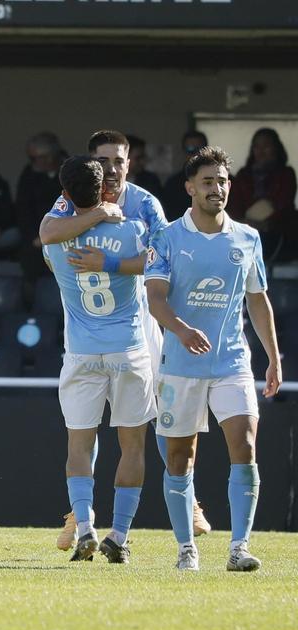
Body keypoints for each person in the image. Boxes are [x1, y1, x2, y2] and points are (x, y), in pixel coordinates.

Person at [40, 129, 211, 552]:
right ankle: (84, 516)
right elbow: (52, 227)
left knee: (160, 411)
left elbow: (163, 262)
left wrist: (108, 260)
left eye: (119, 160)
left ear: (129, 164)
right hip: (116, 331)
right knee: (122, 429)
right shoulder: (78, 204)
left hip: (141, 322)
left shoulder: (145, 204)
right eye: (105, 161)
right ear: (93, 166)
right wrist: (99, 219)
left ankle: (185, 494)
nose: (113, 169)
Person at [145, 145, 282, 571]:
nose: (217, 188)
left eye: (222, 181)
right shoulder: (166, 237)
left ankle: (239, 548)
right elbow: (154, 299)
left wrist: (274, 358)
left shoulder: (247, 238)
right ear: (189, 187)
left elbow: (258, 303)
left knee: (245, 446)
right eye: (207, 181)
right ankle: (187, 548)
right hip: (181, 365)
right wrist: (182, 331)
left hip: (232, 363)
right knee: (180, 458)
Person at [42, 157, 153, 564]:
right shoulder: (132, 231)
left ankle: (85, 526)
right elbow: (159, 265)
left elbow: (49, 236)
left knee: (79, 444)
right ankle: (119, 535)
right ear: (107, 189)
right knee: (133, 445)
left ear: (66, 194)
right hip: (129, 349)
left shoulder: (54, 238)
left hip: (82, 352)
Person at [227, 127, 298, 262]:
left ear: (276, 148)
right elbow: (235, 204)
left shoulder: (286, 173)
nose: (261, 151)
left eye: (266, 146)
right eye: (257, 146)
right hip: (246, 233)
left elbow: (283, 202)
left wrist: (267, 223)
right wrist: (243, 222)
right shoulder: (244, 175)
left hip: (278, 234)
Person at [15, 132, 66, 298]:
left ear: (51, 156)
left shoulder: (72, 171)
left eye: (39, 158)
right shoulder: (29, 174)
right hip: (37, 237)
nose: (35, 163)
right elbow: (23, 209)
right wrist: (34, 236)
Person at [161, 130, 208, 220]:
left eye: (199, 149)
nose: (195, 153)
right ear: (184, 151)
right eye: (190, 149)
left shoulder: (220, 181)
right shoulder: (172, 184)